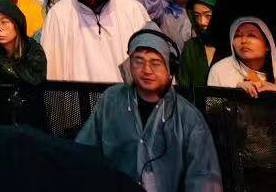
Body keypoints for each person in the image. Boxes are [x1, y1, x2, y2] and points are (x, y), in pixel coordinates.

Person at [77, 28, 224, 192]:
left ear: (170, 68)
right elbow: (83, 152)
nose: (146, 70)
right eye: (138, 61)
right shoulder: (111, 100)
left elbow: (204, 178)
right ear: (129, 64)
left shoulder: (188, 117)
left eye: (155, 62)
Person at [41, 0, 152, 82]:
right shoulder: (59, 14)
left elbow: (150, 56)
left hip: (123, 97)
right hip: (77, 97)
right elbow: (52, 67)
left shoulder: (131, 9)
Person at [205, 16, 276, 96]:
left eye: (251, 35)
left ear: (268, 45)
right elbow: (212, 110)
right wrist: (234, 93)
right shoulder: (220, 70)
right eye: (237, 35)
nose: (244, 40)